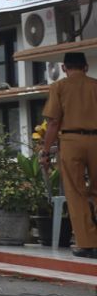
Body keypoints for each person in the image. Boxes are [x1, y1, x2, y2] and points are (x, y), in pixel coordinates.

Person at [39, 52, 97, 258]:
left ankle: (87, 243)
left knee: (76, 192)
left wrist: (45, 151)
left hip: (71, 141)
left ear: (64, 68)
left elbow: (53, 123)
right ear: (86, 67)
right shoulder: (95, 85)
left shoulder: (59, 87)